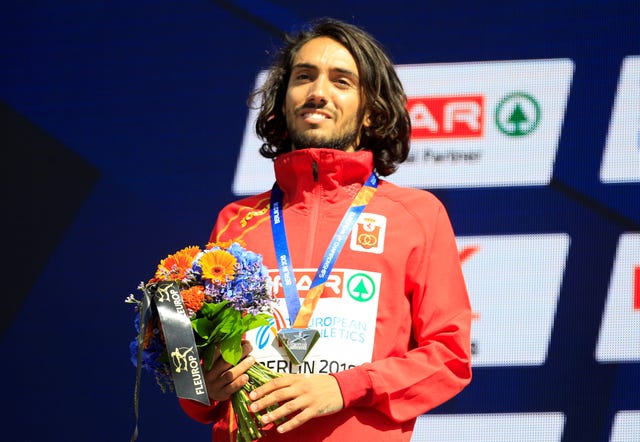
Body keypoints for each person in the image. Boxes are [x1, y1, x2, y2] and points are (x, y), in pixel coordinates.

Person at [179, 17, 472, 441]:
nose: (318, 92)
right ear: (281, 103)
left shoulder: (417, 215)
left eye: (341, 81)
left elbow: (449, 357)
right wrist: (205, 385)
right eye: (303, 77)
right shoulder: (236, 220)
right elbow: (196, 391)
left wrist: (342, 387)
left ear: (371, 112)